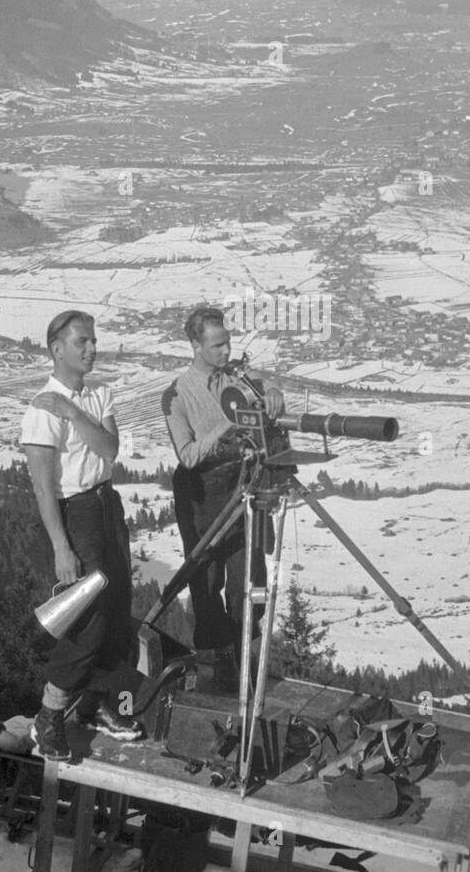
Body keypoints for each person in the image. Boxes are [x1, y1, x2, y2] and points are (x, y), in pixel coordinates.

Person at [21, 308, 141, 760]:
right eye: (81, 343)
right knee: (87, 622)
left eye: (93, 340)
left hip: (106, 505)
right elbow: (42, 485)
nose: (92, 348)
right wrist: (60, 545)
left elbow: (109, 452)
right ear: (57, 350)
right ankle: (48, 717)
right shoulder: (40, 410)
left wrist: (73, 410)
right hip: (74, 514)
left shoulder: (94, 397)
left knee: (116, 609)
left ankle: (95, 705)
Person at [161, 305, 285, 691]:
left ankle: (242, 654)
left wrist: (275, 393)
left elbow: (265, 393)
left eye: (228, 343)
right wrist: (225, 426)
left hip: (242, 481)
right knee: (206, 579)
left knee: (248, 574)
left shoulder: (236, 379)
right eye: (216, 346)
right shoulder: (177, 394)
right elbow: (188, 454)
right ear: (195, 345)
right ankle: (215, 665)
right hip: (203, 491)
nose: (225, 352)